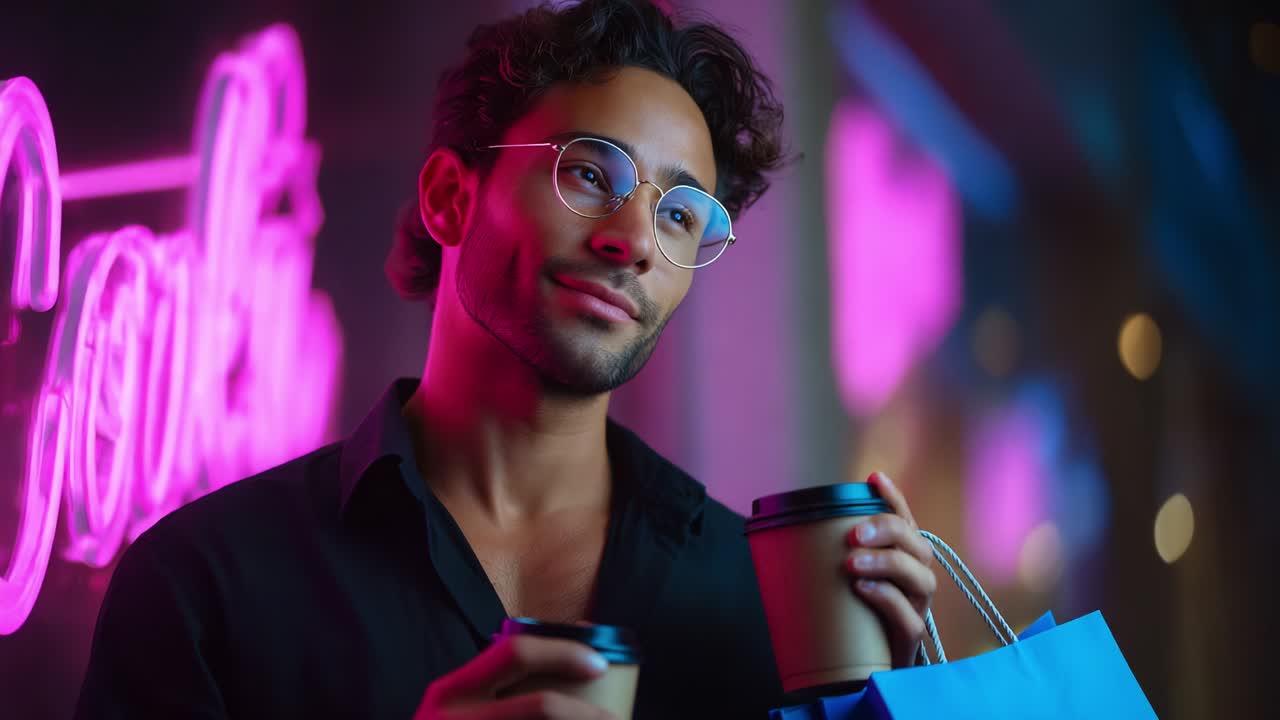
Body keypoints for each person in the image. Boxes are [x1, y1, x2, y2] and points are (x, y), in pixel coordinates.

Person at [74, 1, 937, 717]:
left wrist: (889, 705)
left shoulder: (754, 599)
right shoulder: (205, 583)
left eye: (680, 215)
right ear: (452, 197)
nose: (633, 239)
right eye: (591, 174)